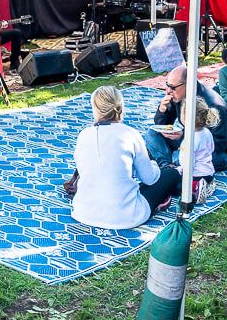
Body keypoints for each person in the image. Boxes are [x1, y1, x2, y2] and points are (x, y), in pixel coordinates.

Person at [72, 86, 180, 229]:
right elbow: (150, 179)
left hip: (83, 212)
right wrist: (153, 163)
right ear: (121, 107)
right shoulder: (130, 134)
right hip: (125, 216)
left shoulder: (83, 135)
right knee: (171, 174)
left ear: (95, 109)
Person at [143, 64, 227, 174]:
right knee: (152, 133)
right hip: (189, 142)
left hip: (218, 153)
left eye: (173, 87)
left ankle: (167, 162)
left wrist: (185, 138)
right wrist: (162, 110)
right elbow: (163, 126)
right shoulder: (179, 95)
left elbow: (219, 145)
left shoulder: (213, 105)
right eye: (167, 85)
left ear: (188, 84)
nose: (168, 91)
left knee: (178, 158)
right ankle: (167, 167)